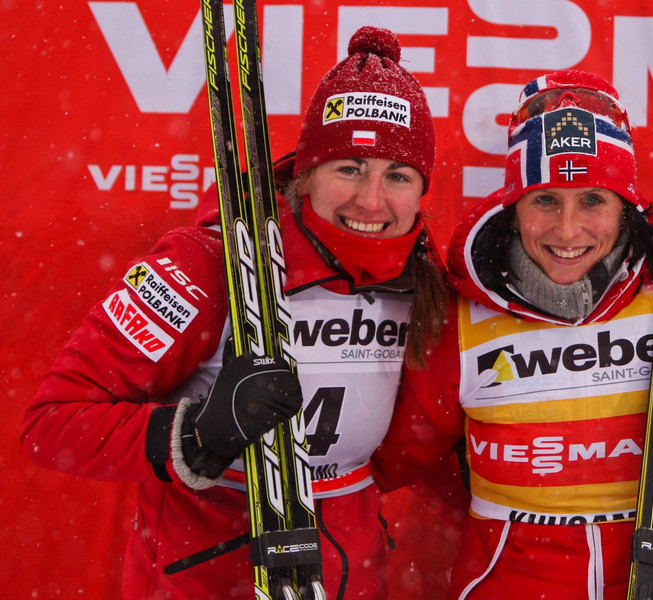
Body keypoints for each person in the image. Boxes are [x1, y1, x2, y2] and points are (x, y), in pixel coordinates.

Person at [21, 26, 461, 600]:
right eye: (348, 168)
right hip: (205, 572)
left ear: (422, 189)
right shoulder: (210, 263)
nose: (370, 201)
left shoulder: (423, 285)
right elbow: (52, 422)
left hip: (349, 573)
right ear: (306, 175)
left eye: (397, 176)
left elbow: (417, 441)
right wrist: (198, 432)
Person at [372, 69, 653, 599]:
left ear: (625, 207)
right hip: (508, 581)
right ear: (513, 207)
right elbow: (399, 460)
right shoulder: (462, 314)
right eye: (545, 200)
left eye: (594, 200)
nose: (568, 230)